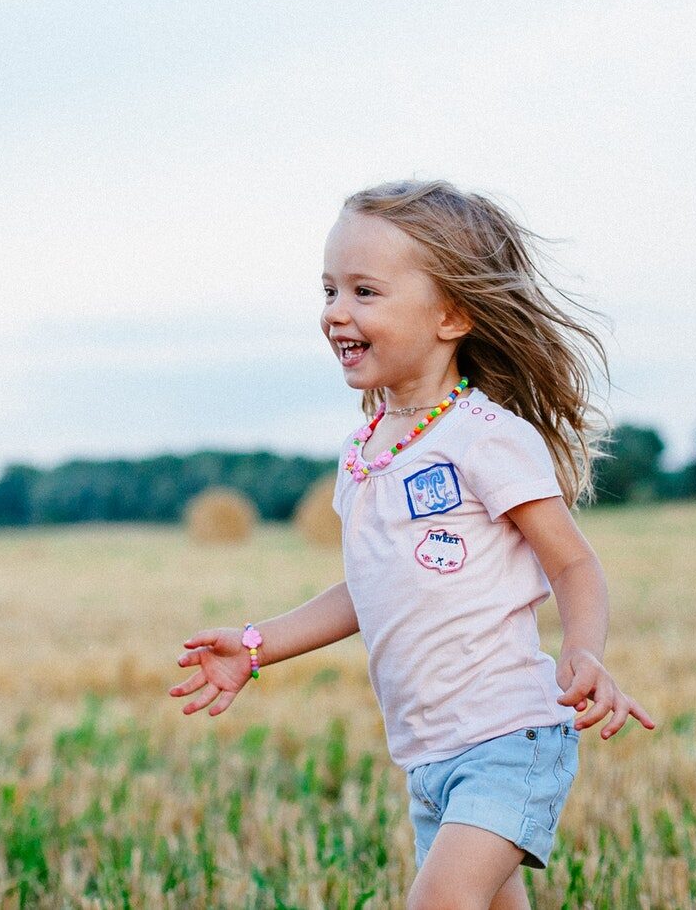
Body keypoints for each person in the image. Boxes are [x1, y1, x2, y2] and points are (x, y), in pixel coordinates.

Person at [169, 180, 656, 910]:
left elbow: (572, 561)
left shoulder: (488, 438)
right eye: (330, 289)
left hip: (508, 738)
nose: (336, 311)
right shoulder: (364, 451)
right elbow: (368, 587)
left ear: (451, 313)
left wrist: (583, 649)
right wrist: (257, 642)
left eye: (365, 291)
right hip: (428, 756)